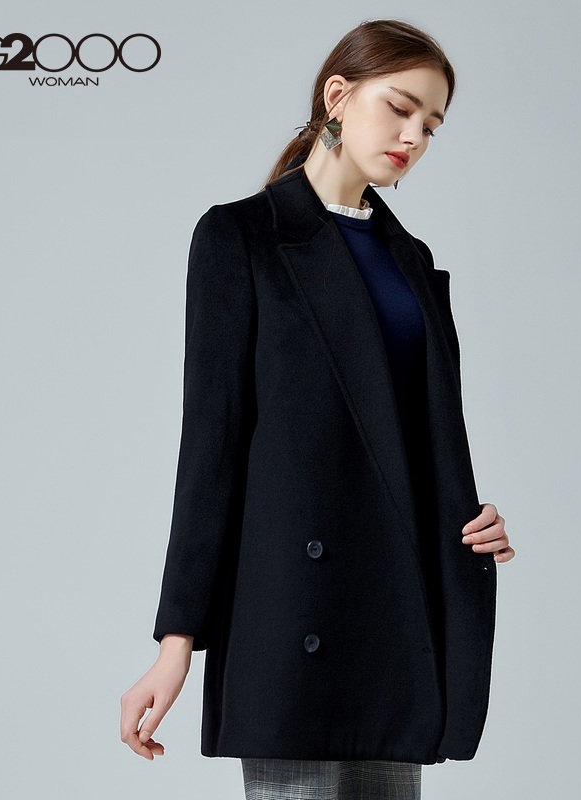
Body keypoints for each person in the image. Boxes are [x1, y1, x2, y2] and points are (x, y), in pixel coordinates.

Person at [120, 18, 515, 800]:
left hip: (396, 610)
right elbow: (211, 448)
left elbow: (408, 438)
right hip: (293, 611)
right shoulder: (241, 237)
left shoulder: (411, 261)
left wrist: (467, 521)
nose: (414, 137)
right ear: (338, 95)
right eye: (399, 107)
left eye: (432, 125)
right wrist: (176, 642)